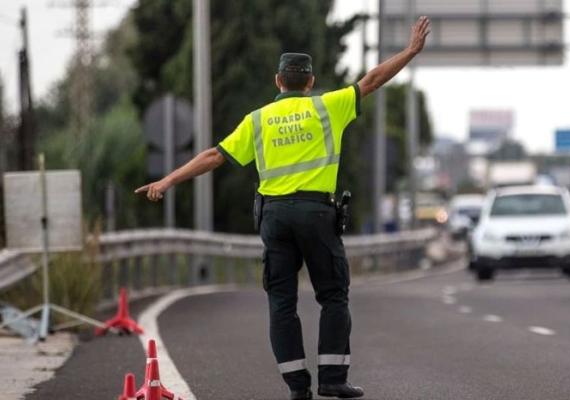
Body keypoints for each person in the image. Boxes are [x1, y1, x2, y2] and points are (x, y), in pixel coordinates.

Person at [135, 16, 431, 400]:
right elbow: (372, 80)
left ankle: (297, 387)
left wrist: (167, 181)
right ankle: (332, 378)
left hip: (274, 218)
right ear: (309, 82)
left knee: (281, 303)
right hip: (316, 215)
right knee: (333, 296)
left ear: (278, 81)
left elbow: (213, 156)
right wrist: (410, 51)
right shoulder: (329, 107)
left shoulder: (257, 120)